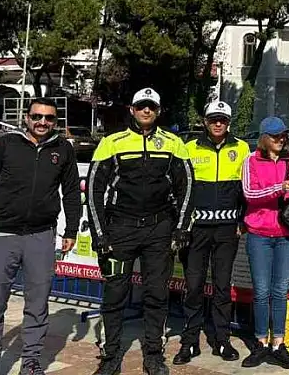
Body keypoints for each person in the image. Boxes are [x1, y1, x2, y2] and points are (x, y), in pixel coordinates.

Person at [0, 98, 80, 375]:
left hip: (42, 236)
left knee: (38, 303)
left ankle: (31, 361)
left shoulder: (62, 149)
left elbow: (71, 193)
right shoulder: (7, 144)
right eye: (37, 116)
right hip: (4, 234)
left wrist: (71, 231)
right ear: (27, 117)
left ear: (56, 121)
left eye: (49, 118)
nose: (43, 122)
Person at [87, 88, 194, 375]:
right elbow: (95, 189)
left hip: (159, 230)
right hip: (120, 229)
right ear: (132, 109)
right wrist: (99, 233)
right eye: (141, 106)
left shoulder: (174, 143)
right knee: (114, 294)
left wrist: (182, 227)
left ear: (159, 111)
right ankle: (110, 357)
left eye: (152, 107)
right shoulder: (112, 142)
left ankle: (153, 355)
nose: (147, 111)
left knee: (157, 295)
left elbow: (187, 187)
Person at [241, 117, 289, 369]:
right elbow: (250, 194)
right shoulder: (251, 161)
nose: (280, 140)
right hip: (259, 234)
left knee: (279, 291)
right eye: (275, 136)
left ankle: (279, 343)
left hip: (286, 233)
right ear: (264, 137)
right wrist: (279, 187)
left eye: (283, 135)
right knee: (261, 291)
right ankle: (260, 342)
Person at [175, 100, 250, 364]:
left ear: (229, 123)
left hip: (227, 229)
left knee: (221, 287)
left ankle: (222, 340)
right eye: (213, 119)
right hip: (197, 230)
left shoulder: (241, 147)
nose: (218, 124)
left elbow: (246, 189)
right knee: (194, 286)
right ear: (205, 121)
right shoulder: (189, 147)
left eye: (223, 120)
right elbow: (180, 188)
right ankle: (190, 341)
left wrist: (243, 220)